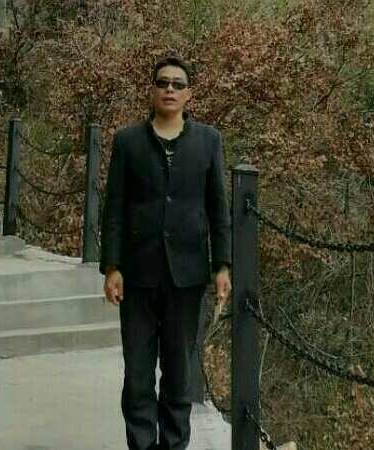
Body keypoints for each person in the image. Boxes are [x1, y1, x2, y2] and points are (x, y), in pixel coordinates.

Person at [99, 55, 232, 450]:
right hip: (137, 275)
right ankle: (142, 444)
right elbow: (115, 208)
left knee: (178, 373)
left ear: (189, 94)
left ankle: (174, 444)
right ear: (152, 90)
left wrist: (222, 265)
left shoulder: (208, 141)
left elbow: (218, 208)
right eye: (162, 83)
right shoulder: (128, 142)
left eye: (177, 84)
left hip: (187, 277)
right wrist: (112, 266)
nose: (169, 89)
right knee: (138, 373)